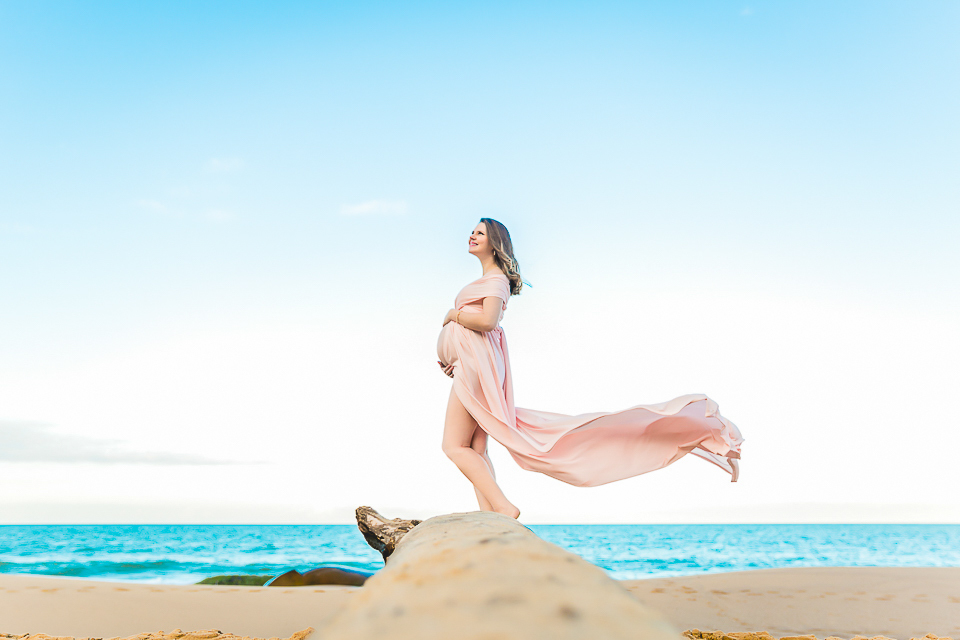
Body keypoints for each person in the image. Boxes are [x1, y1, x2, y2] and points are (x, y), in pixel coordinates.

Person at [436, 218, 743, 520]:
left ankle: (502, 507)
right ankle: (490, 513)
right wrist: (454, 356)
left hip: (477, 366)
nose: (472, 236)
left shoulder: (495, 280)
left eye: (480, 233)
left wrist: (452, 316)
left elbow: (488, 322)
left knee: (454, 445)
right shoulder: (490, 280)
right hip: (474, 364)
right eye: (472, 231)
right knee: (476, 446)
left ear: (495, 243)